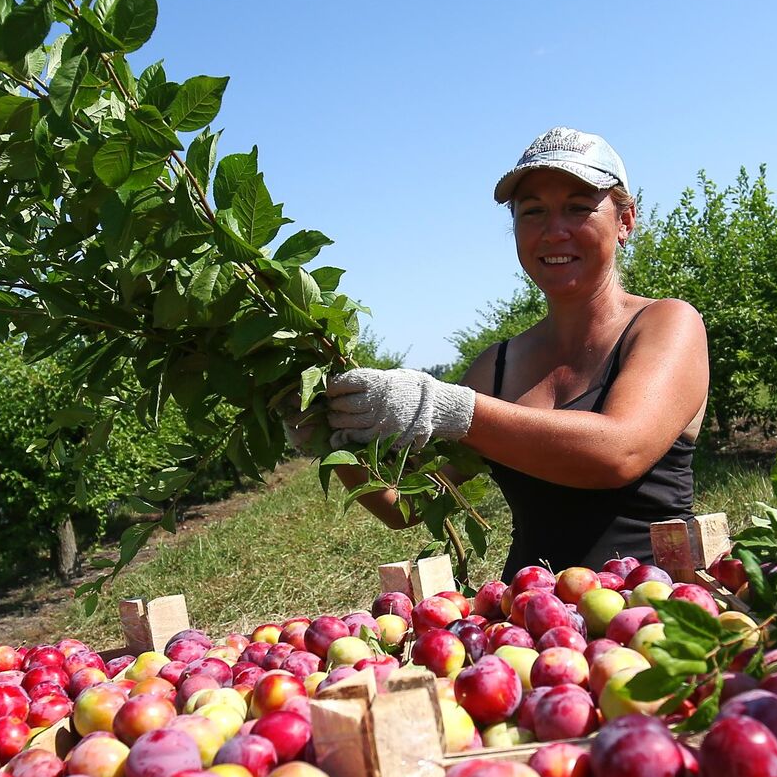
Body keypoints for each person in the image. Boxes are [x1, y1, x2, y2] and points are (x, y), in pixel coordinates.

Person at [297, 127, 709, 581]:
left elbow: (618, 453)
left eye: (578, 208)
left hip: (650, 609)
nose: (554, 232)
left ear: (625, 221)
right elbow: (408, 505)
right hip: (529, 621)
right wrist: (325, 434)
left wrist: (449, 408)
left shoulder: (666, 324)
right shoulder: (497, 367)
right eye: (533, 212)